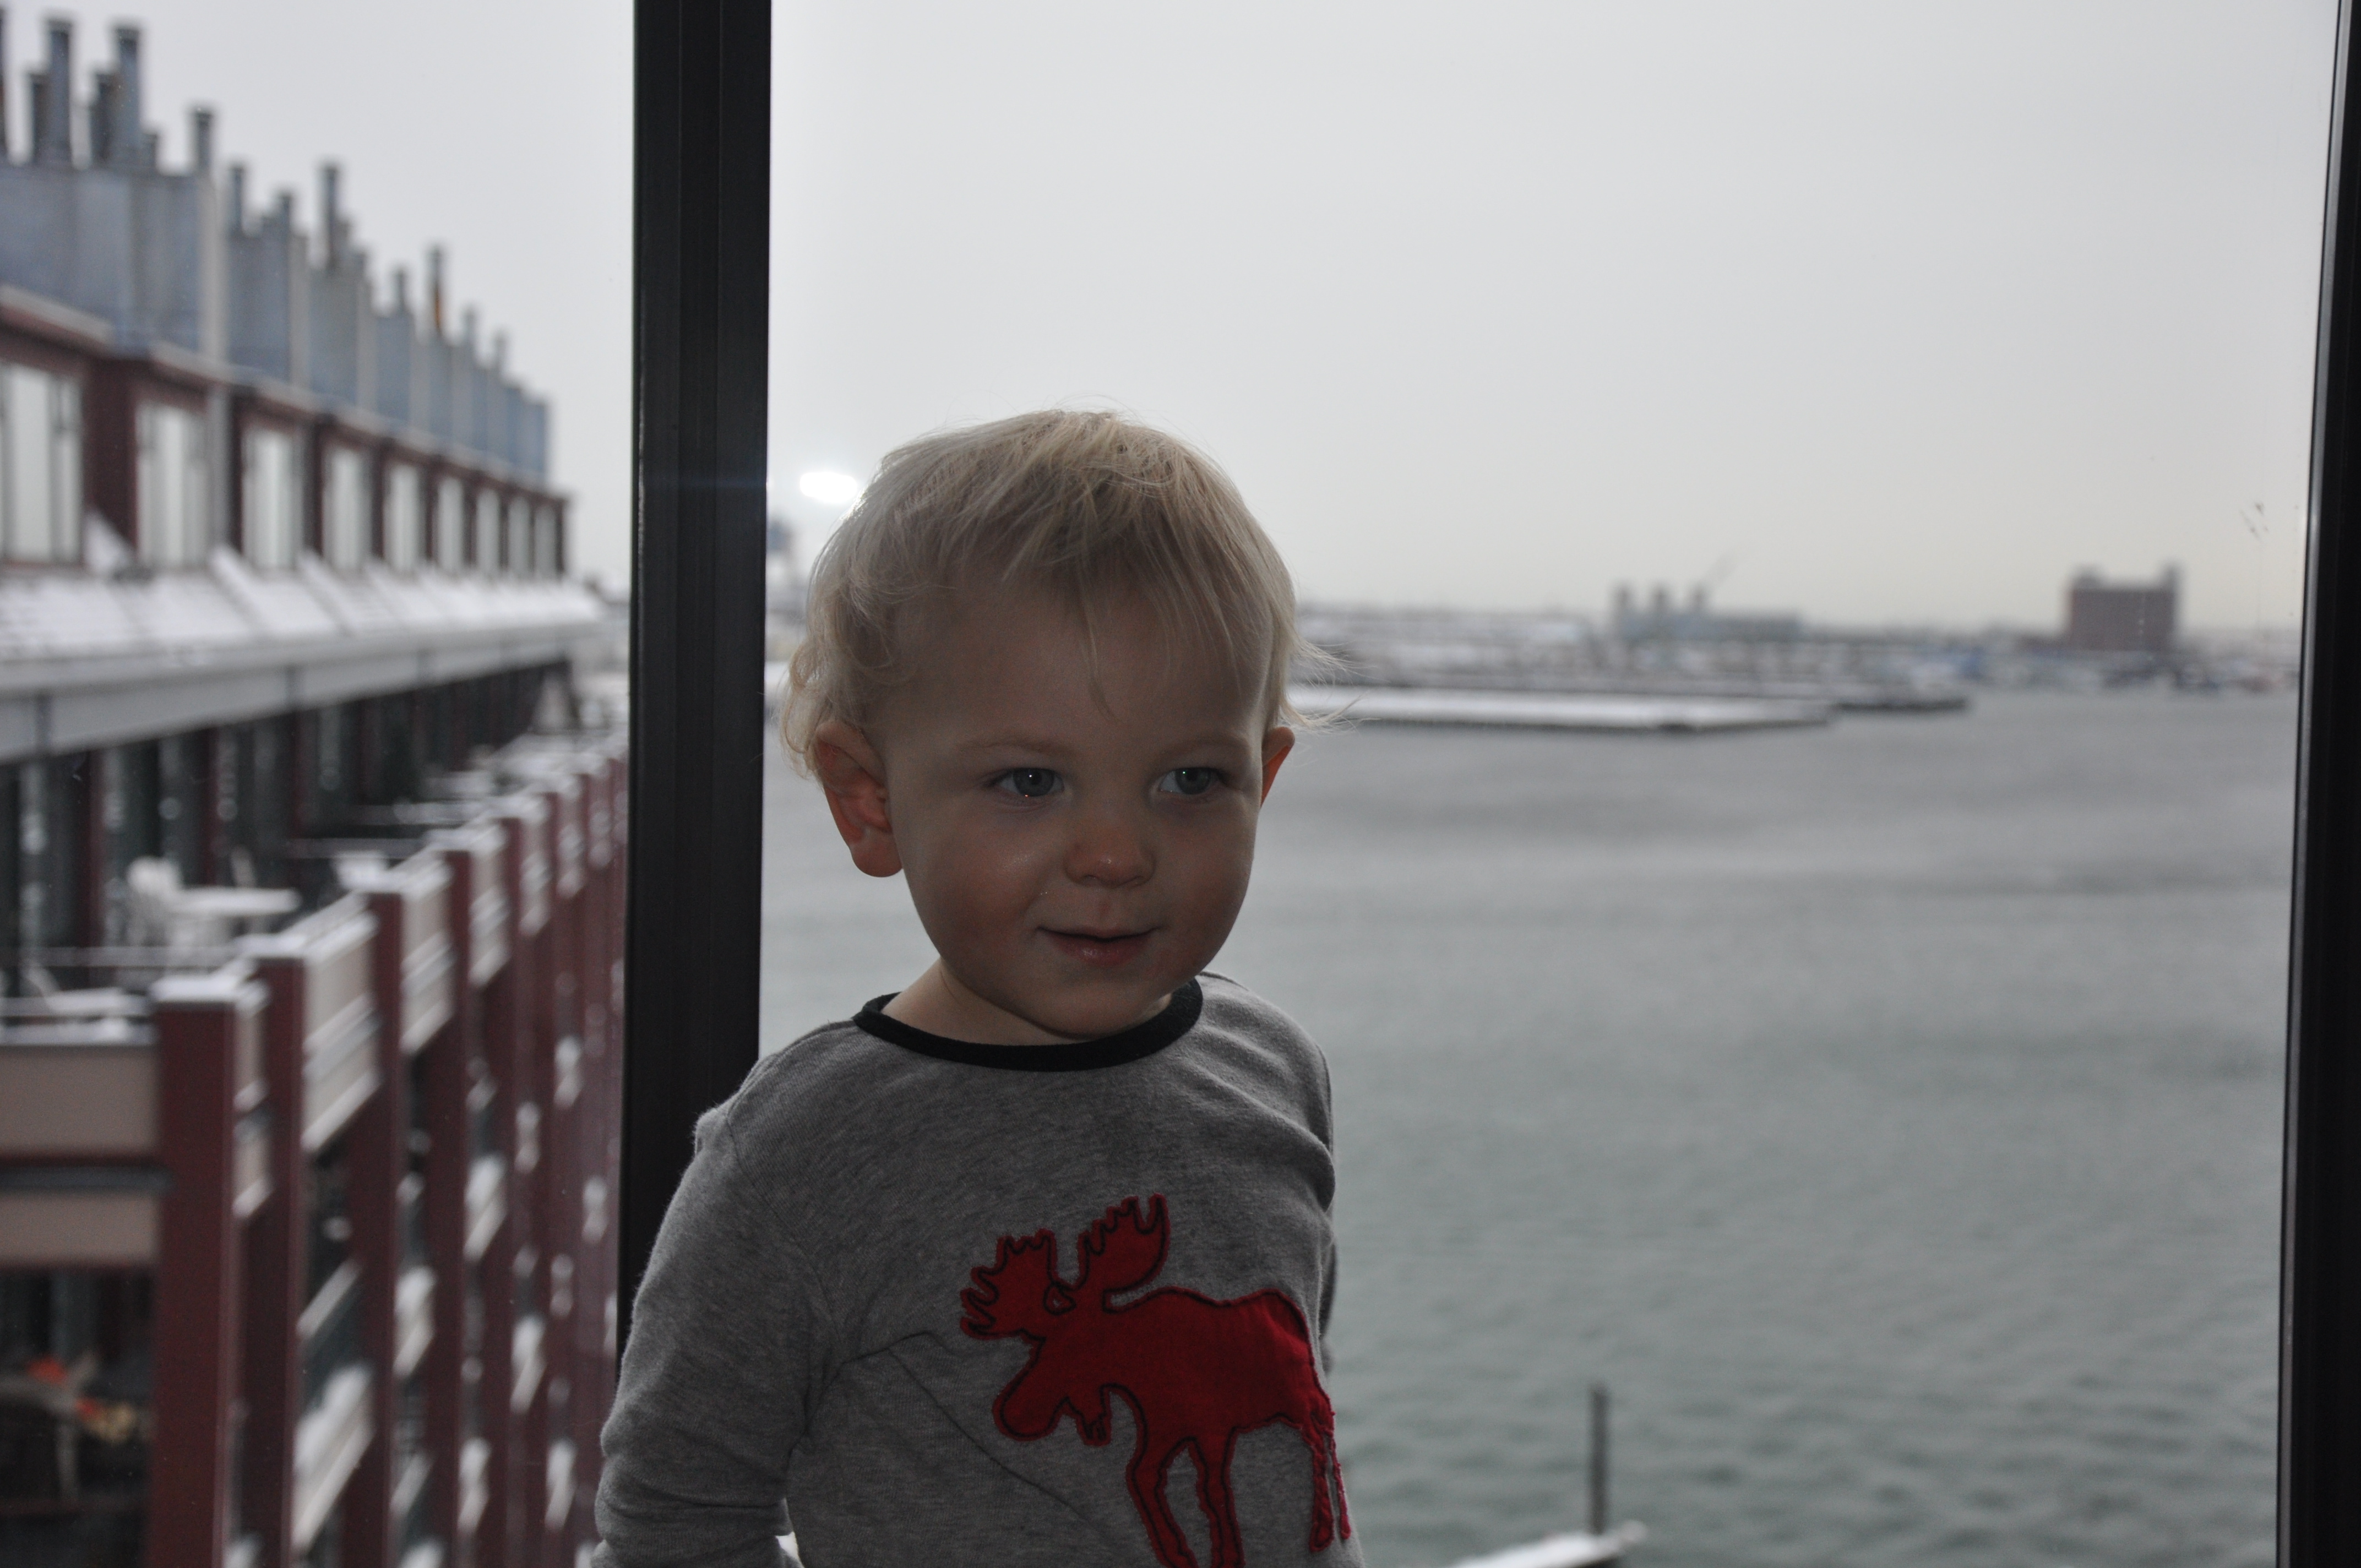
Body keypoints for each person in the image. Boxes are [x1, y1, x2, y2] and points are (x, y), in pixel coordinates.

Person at [594, 410, 1360, 1568]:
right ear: (869, 802)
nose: (1116, 853)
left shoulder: (1274, 1067)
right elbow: (673, 1528)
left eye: (1191, 780)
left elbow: (1294, 1436)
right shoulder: (805, 1158)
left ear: (1265, 778)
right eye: (1030, 781)